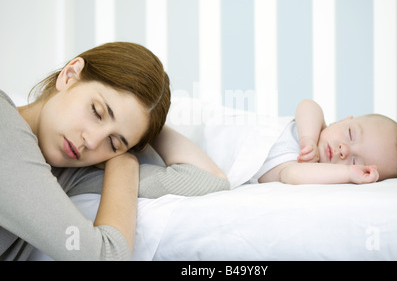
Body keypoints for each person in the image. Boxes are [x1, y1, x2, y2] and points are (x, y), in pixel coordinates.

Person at [0, 42, 229, 261]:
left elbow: (209, 179)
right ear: (69, 75)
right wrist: (126, 158)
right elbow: (103, 256)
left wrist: (145, 128)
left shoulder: (70, 171)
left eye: (113, 142)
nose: (91, 141)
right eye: (97, 112)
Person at [251, 99, 397, 185]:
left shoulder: (301, 170)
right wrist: (308, 139)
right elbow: (307, 105)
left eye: (354, 161)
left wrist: (348, 174)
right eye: (350, 134)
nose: (344, 150)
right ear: (342, 120)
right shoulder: (315, 125)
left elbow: (292, 175)